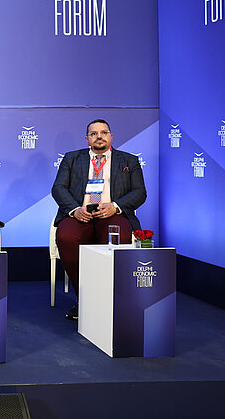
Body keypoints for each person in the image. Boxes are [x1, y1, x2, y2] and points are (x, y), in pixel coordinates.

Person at [52, 119, 147, 320]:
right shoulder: (71, 158)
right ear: (87, 139)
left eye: (104, 132)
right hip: (80, 214)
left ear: (111, 136)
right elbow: (58, 188)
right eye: (94, 133)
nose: (99, 136)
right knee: (66, 237)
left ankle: (109, 298)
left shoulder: (129, 160)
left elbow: (140, 192)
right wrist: (75, 210)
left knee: (119, 237)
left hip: (113, 214)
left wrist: (115, 206)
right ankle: (85, 298)